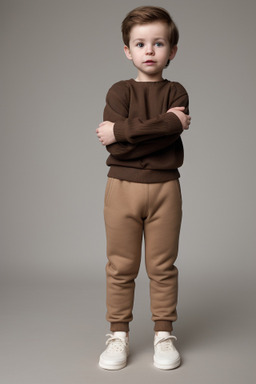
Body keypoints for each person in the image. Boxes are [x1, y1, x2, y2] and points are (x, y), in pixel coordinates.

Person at [96, 6, 191, 370]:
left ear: (172, 51)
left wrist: (120, 131)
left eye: (159, 43)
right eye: (140, 43)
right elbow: (119, 149)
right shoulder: (119, 91)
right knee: (121, 266)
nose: (149, 50)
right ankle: (118, 334)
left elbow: (117, 139)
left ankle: (163, 334)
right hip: (121, 188)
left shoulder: (176, 90)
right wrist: (166, 126)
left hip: (166, 188)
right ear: (127, 51)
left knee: (163, 265)